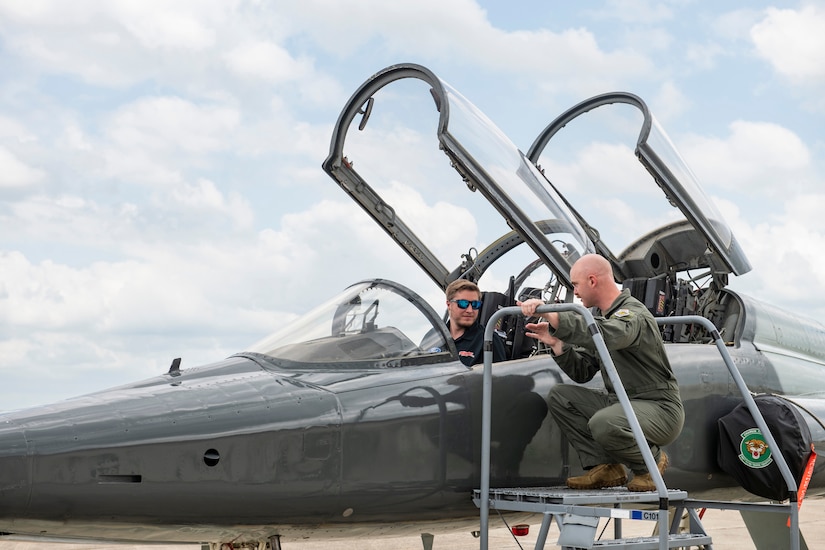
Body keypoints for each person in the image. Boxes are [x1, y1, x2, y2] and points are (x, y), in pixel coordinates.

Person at [519, 254, 684, 492]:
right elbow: (583, 371)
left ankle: (650, 463)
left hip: (659, 408)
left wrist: (554, 316)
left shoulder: (632, 314)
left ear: (593, 280)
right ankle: (606, 467)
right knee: (560, 396)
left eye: (575, 284)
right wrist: (558, 344)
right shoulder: (601, 320)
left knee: (604, 423)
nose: (574, 292)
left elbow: (611, 335)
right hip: (623, 404)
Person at [444, 279, 507, 367]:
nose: (470, 310)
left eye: (475, 305)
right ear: (449, 305)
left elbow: (500, 377)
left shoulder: (489, 339)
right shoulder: (434, 338)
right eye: (463, 303)